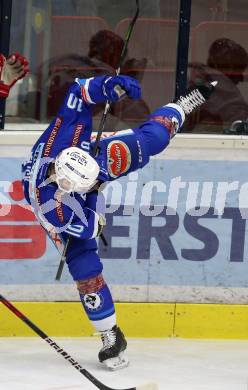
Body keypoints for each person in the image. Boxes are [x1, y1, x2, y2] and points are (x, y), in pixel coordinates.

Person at [22, 74, 215, 370]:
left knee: (151, 141)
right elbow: (91, 227)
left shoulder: (64, 139)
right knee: (83, 263)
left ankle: (180, 107)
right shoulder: (54, 210)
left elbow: (78, 90)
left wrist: (107, 85)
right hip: (78, 199)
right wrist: (92, 194)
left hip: (87, 160)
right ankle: (110, 334)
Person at [186, 37, 248, 134]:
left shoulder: (198, 78)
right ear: (230, 67)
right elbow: (239, 121)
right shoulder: (223, 89)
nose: (240, 77)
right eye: (239, 69)